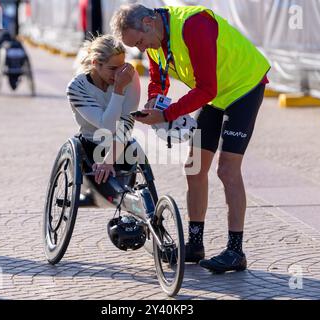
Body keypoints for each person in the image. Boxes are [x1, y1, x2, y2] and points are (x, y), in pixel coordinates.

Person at [111, 4, 270, 273]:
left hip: (243, 87)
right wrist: (154, 101)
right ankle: (195, 245)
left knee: (227, 170)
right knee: (194, 167)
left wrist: (166, 115)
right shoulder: (155, 38)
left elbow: (206, 88)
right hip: (218, 95)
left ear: (149, 22)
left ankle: (236, 251)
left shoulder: (194, 25)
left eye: (139, 42)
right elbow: (159, 78)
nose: (142, 49)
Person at [66, 34, 139, 185]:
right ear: (95, 63)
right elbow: (107, 126)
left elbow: (126, 123)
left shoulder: (129, 76)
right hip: (91, 145)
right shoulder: (76, 87)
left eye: (121, 67)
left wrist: (108, 161)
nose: (119, 74)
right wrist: (118, 89)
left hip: (120, 144)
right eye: (112, 68)